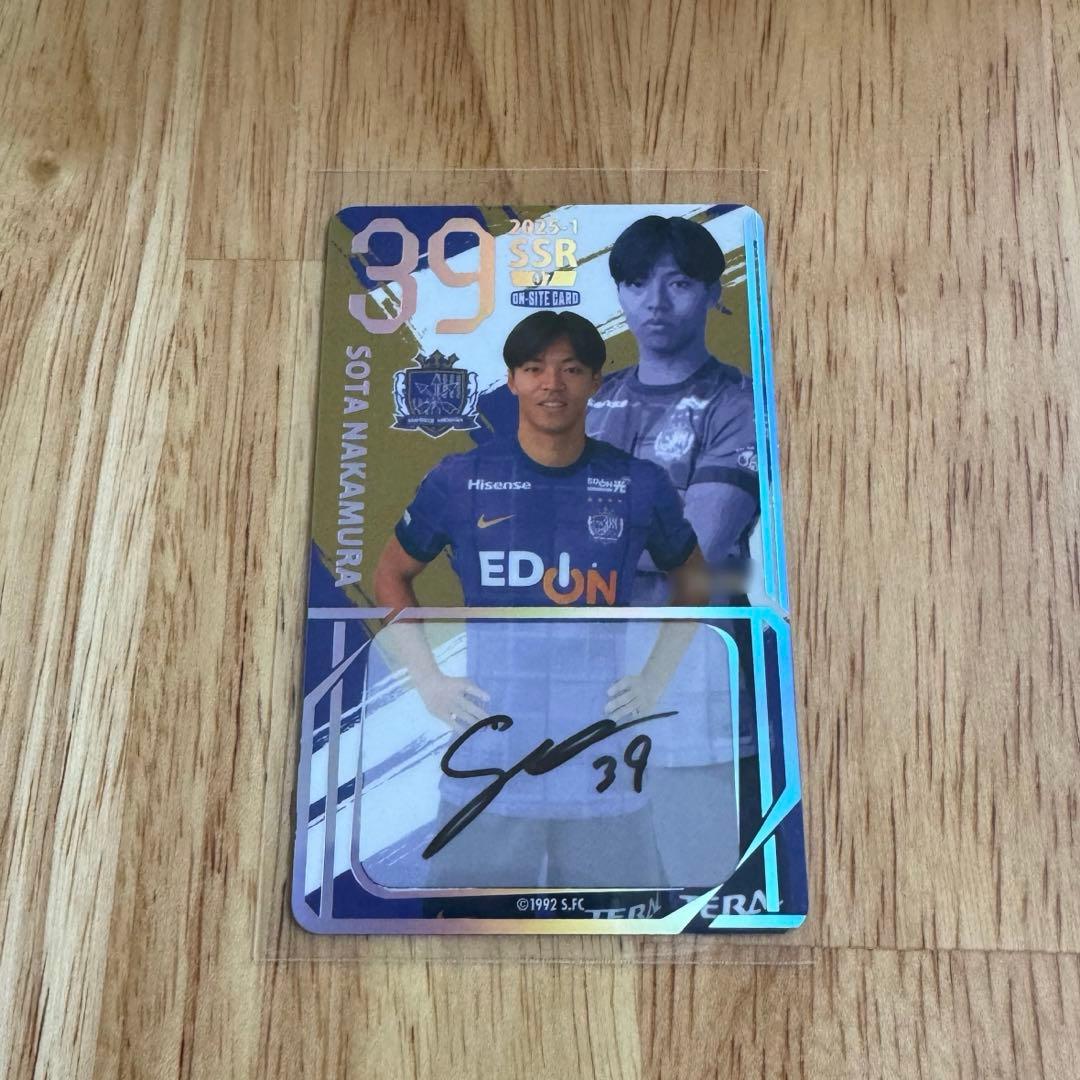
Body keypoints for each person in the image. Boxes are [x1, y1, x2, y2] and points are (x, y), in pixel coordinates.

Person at [371, 309, 709, 890]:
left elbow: (695, 581)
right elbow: (390, 575)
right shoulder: (460, 479)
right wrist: (428, 681)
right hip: (488, 763)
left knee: (623, 936)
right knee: (461, 933)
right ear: (511, 380)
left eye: (571, 369)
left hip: (602, 764)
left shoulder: (637, 483)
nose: (552, 384)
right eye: (534, 368)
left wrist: (654, 680)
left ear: (595, 381)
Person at [584, 214, 762, 888]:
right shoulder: (590, 399)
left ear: (715, 292)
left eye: (679, 283)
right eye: (636, 284)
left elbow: (696, 547)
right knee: (603, 897)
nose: (654, 303)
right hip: (582, 691)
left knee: (701, 888)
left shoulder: (737, 405)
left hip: (693, 687)